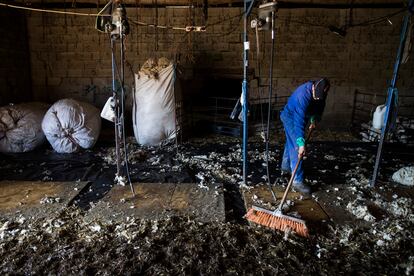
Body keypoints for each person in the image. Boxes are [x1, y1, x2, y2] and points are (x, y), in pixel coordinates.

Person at [279, 78, 330, 194]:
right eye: (315, 96)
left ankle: (286, 166)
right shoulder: (301, 96)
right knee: (296, 145)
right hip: (290, 117)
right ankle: (297, 181)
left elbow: (318, 106)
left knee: (291, 142)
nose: (317, 98)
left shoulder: (321, 91)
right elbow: (298, 123)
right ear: (313, 88)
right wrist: (301, 144)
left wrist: (314, 119)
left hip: (304, 115)